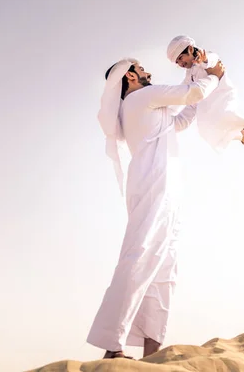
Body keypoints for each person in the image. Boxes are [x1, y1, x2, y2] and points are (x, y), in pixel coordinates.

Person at [87, 56, 226, 359]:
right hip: (153, 188)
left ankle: (152, 353)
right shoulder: (141, 98)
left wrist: (196, 81)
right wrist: (213, 75)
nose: (147, 71)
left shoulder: (142, 105)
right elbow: (192, 93)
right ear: (131, 78)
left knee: (164, 266)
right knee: (138, 258)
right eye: (141, 68)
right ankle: (113, 346)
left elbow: (183, 119)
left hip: (165, 191)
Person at [166, 35, 244, 153]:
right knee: (207, 132)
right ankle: (243, 136)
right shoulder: (189, 74)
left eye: (181, 58)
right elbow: (183, 91)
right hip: (206, 106)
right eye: (177, 62)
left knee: (226, 116)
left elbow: (212, 59)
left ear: (190, 49)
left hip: (222, 95)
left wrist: (204, 59)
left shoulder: (205, 56)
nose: (180, 64)